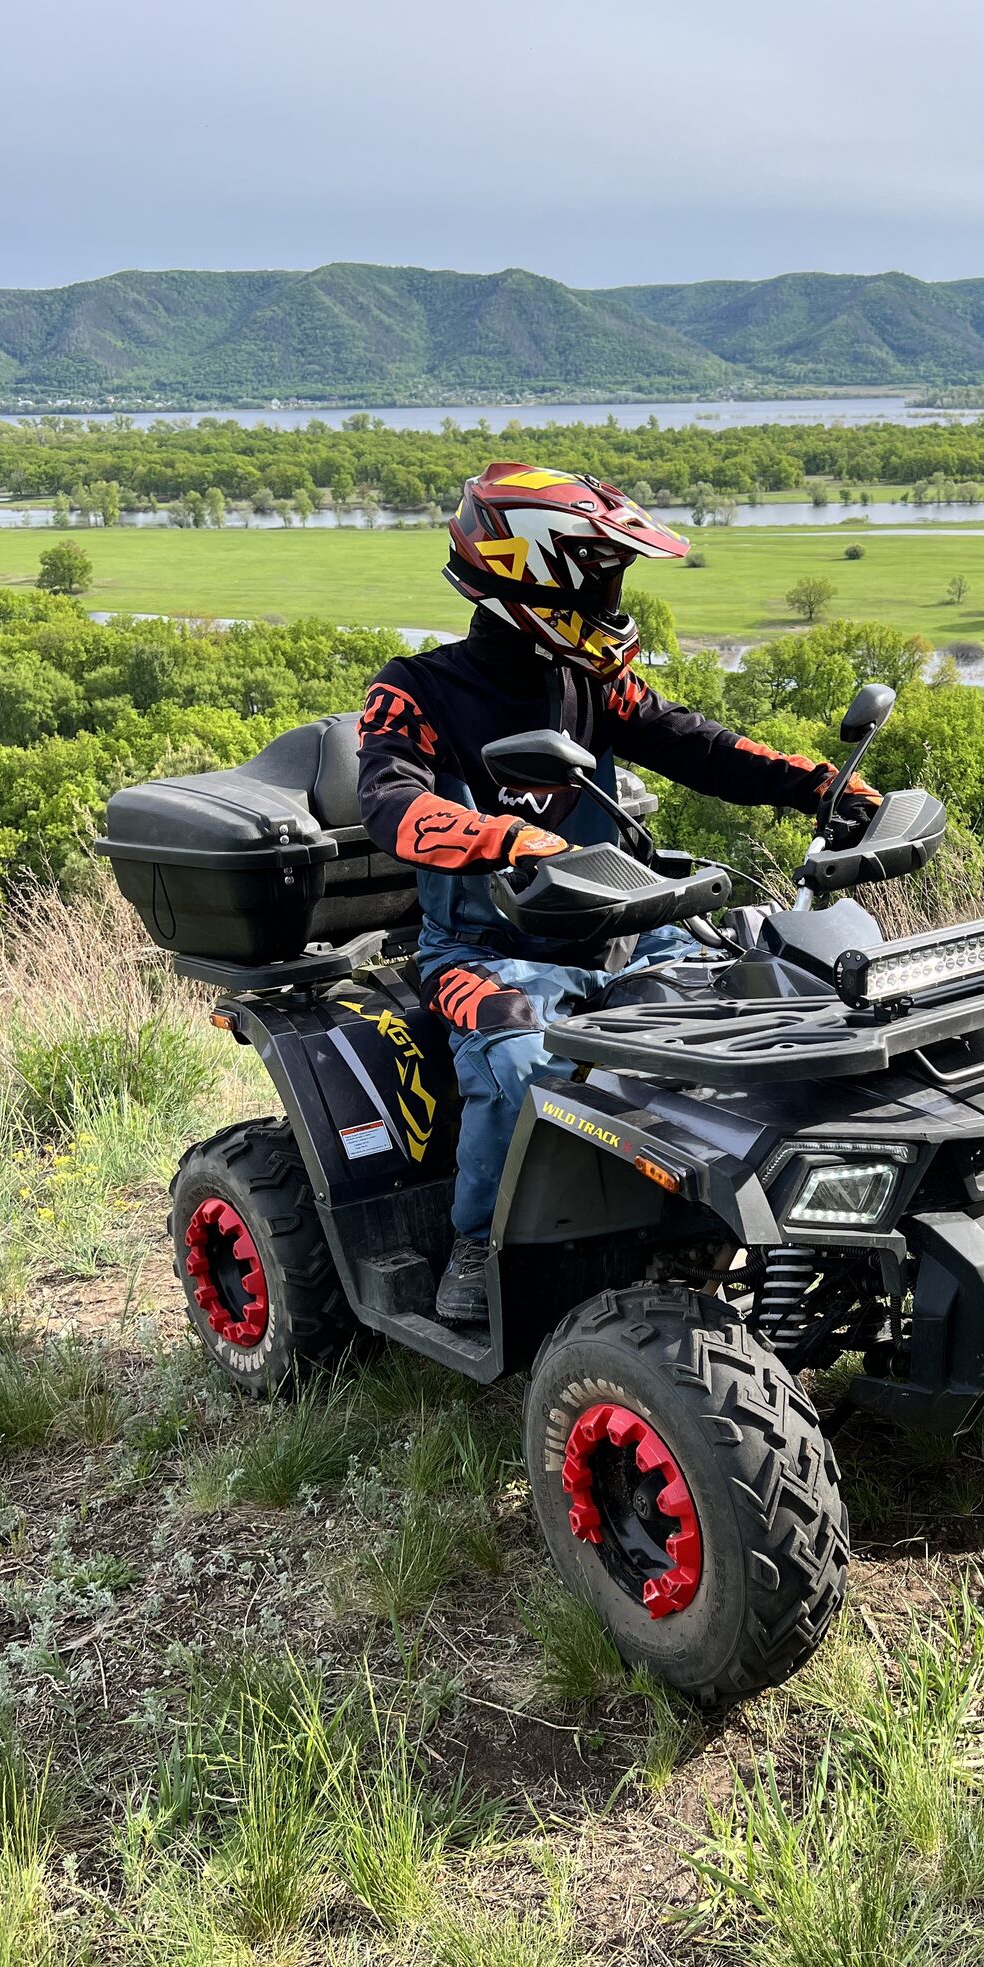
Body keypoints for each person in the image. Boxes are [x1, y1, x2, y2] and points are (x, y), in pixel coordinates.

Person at [357, 461, 880, 1328]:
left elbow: (694, 743)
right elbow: (389, 804)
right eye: (601, 575)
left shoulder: (590, 681)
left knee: (756, 1013)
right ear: (536, 572)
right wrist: (502, 837)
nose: (614, 595)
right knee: (519, 1061)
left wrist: (815, 784)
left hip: (632, 932)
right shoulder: (414, 690)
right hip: (484, 953)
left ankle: (703, 1224)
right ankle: (478, 1245)